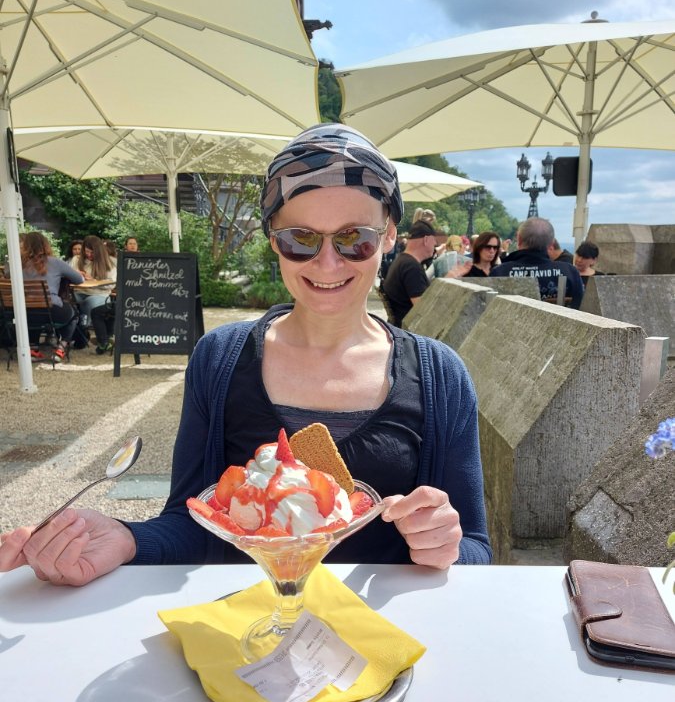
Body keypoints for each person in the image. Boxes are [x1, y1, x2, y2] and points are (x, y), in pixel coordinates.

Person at [0, 122, 491, 587]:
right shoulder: (219, 359)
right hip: (245, 627)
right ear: (273, 238)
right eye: (300, 239)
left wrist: (445, 545)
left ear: (388, 235)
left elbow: (474, 547)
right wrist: (127, 538)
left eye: (354, 239)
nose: (327, 262)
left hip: (378, 633)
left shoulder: (439, 376)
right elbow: (191, 524)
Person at [490, 217, 584, 309]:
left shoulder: (499, 272)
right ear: (551, 244)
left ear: (519, 240)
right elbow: (580, 307)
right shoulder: (569, 272)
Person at [19, 230, 84, 361]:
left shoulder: (18, 264)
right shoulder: (55, 262)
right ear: (45, 245)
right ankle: (61, 347)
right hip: (52, 310)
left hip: (24, 312)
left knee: (34, 311)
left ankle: (33, 348)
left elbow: (7, 275)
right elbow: (79, 279)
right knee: (74, 313)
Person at [381, 218, 437, 326]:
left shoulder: (402, 261)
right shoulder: (411, 268)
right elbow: (424, 311)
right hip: (408, 330)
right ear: (426, 240)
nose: (435, 244)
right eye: (434, 241)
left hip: (398, 327)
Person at [71, 234, 117, 330]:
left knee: (89, 303)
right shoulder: (76, 260)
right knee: (67, 301)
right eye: (87, 251)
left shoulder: (108, 263)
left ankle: (83, 327)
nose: (89, 254)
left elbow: (111, 284)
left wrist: (94, 280)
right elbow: (67, 277)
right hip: (78, 292)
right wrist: (75, 274)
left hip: (99, 294)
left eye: (92, 252)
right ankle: (74, 329)